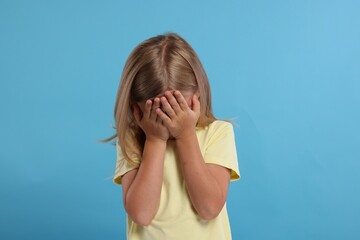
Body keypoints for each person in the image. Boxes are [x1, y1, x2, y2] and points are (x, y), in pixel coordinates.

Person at [103, 33, 240, 240]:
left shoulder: (218, 133)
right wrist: (155, 140)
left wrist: (185, 135)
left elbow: (210, 208)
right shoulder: (133, 139)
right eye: (157, 110)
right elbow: (141, 214)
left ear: (197, 95)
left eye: (176, 106)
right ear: (136, 106)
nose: (168, 118)